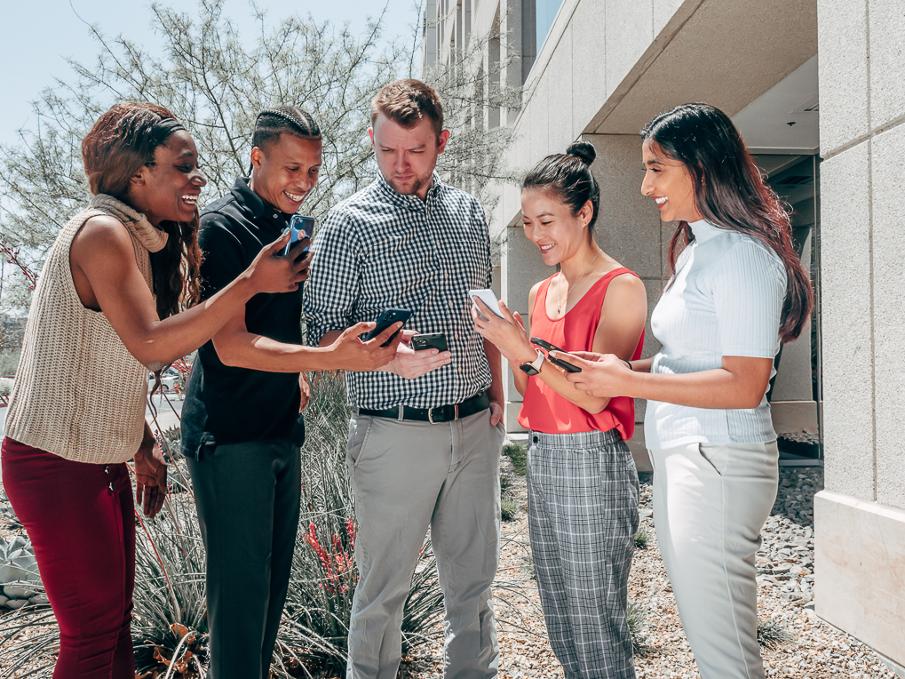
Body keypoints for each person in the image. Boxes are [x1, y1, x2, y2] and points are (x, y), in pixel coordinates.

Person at [0, 102, 308, 678]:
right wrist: (251, 282)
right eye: (184, 166)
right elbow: (151, 345)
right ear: (138, 173)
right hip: (53, 461)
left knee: (112, 628)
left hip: (97, 457)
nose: (200, 179)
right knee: (91, 636)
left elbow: (106, 357)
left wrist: (141, 443)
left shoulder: (143, 241)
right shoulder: (102, 234)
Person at [557, 103, 814, 679]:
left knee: (723, 649)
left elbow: (745, 384)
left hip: (718, 460)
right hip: (692, 455)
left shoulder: (744, 256)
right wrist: (620, 366)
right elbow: (690, 360)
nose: (645, 185)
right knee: (709, 636)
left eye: (657, 168)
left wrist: (627, 381)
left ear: (700, 166)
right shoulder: (700, 249)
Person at [179, 106, 402, 679]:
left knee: (269, 600)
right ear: (256, 158)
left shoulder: (287, 226)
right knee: (240, 604)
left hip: (280, 432)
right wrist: (327, 359)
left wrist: (302, 369)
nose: (303, 182)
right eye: (292, 167)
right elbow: (229, 347)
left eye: (313, 171)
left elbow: (276, 329)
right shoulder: (221, 228)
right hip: (229, 439)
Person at [304, 79, 504, 679]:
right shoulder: (348, 224)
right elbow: (319, 336)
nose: (400, 164)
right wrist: (386, 358)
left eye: (415, 150)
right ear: (372, 139)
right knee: (382, 595)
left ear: (441, 143)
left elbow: (485, 313)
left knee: (472, 590)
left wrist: (496, 391)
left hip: (473, 428)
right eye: (387, 150)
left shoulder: (469, 214)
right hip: (393, 434)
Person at [472, 141, 647, 679]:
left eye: (547, 220)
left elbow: (595, 394)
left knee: (597, 626)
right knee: (562, 622)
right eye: (527, 223)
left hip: (592, 461)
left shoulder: (622, 288)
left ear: (585, 211)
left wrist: (523, 353)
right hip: (545, 459)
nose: (536, 234)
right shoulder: (542, 288)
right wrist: (524, 355)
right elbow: (543, 390)